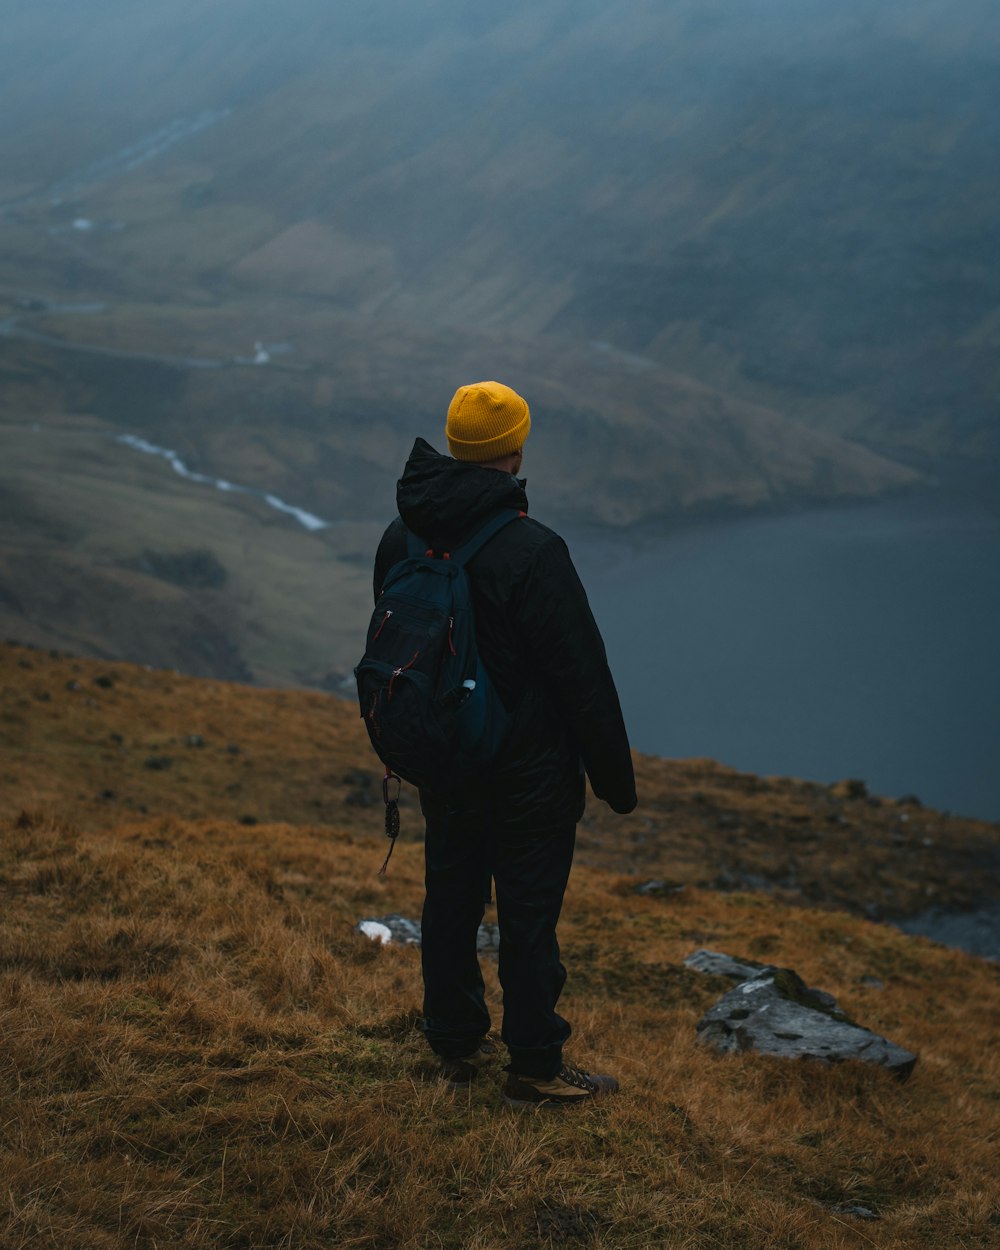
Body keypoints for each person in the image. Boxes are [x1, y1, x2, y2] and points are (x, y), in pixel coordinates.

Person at [373, 380, 637, 1106]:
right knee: (527, 918)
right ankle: (535, 1067)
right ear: (515, 450)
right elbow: (582, 676)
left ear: (457, 445)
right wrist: (615, 782)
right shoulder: (533, 551)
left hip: (446, 762)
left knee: (450, 897)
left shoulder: (403, 534)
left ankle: (453, 1041)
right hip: (529, 774)